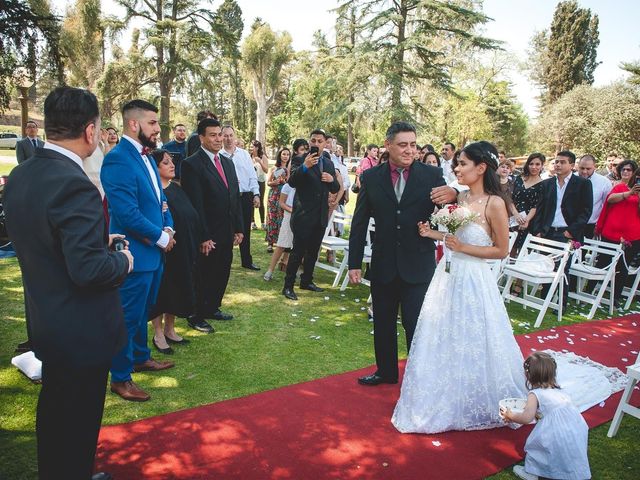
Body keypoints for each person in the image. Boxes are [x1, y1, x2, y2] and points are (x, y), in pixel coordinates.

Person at [4, 86, 133, 480]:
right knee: (77, 423)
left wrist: (97, 241)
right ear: (91, 132)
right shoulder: (74, 182)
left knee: (56, 414)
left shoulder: (23, 173)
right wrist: (123, 260)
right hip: (81, 330)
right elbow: (89, 271)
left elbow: (45, 240)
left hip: (48, 319)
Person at [390, 140, 527, 433]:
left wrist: (462, 246)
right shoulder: (461, 199)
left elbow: (501, 250)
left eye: (463, 163)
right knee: (444, 333)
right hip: (448, 276)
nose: (457, 167)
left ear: (481, 168)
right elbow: (453, 236)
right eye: (458, 163)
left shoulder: (495, 203)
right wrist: (432, 233)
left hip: (475, 280)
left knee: (475, 335)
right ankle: (446, 390)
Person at [348, 121, 457, 386]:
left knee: (415, 323)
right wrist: (354, 263)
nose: (409, 150)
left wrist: (453, 195)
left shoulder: (431, 175)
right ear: (388, 145)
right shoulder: (371, 178)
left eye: (413, 145)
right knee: (383, 322)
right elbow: (359, 222)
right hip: (384, 262)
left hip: (418, 263)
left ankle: (419, 376)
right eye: (403, 145)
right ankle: (385, 372)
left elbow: (450, 209)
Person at [101, 99, 176, 403]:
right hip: (134, 254)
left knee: (143, 311)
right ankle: (120, 378)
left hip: (153, 253)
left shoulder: (147, 157)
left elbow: (159, 201)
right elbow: (127, 213)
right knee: (127, 317)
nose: (159, 129)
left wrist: (168, 227)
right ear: (134, 124)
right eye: (153, 123)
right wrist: (160, 237)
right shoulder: (118, 159)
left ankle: (141, 357)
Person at [181, 117, 244, 330]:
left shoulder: (227, 162)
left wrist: (238, 228)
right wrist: (203, 236)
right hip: (207, 233)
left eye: (220, 134)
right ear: (201, 138)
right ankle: (196, 314)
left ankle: (212, 307)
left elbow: (233, 196)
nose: (219, 139)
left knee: (222, 270)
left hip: (227, 230)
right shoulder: (191, 164)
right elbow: (196, 205)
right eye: (213, 135)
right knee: (203, 274)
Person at [501, 352, 591, 480]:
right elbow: (552, 410)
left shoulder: (534, 394)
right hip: (576, 427)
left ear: (529, 375)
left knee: (537, 446)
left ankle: (532, 472)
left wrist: (511, 415)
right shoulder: (559, 391)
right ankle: (570, 472)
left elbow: (527, 418)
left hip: (556, 431)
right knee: (565, 448)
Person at [148, 149, 199, 353]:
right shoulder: (154, 192)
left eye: (171, 161)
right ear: (155, 167)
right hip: (164, 250)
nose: (171, 165)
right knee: (162, 292)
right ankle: (158, 333)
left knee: (177, 289)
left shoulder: (177, 188)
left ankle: (170, 329)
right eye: (165, 162)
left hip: (183, 250)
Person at [282, 129, 340, 301]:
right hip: (303, 215)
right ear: (310, 142)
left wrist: (332, 180)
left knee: (313, 252)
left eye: (319, 141)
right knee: (297, 251)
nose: (316, 143)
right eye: (313, 140)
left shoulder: (328, 163)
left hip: (321, 215)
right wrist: (305, 167)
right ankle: (288, 286)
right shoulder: (300, 159)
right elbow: (292, 181)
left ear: (325, 143)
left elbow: (335, 189)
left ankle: (306, 280)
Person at [594, 160, 640, 305]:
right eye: (623, 169)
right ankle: (591, 292)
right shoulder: (619, 187)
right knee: (603, 262)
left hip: (632, 235)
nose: (626, 172)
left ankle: (615, 297)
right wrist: (629, 193)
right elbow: (610, 200)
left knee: (623, 266)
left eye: (629, 170)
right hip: (611, 233)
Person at [222, 126, 261, 270]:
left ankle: (247, 260)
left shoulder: (244, 154)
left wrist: (256, 194)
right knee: (228, 229)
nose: (228, 138)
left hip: (245, 197)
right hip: (227, 198)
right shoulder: (219, 155)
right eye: (225, 136)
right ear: (221, 137)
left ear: (235, 136)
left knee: (245, 229)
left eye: (231, 135)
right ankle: (226, 260)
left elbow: (252, 176)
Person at [510, 153, 546, 255]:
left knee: (520, 250)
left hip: (527, 221)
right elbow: (510, 199)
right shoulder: (518, 179)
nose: (534, 167)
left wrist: (526, 220)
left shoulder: (543, 185)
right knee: (507, 246)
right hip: (511, 217)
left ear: (542, 166)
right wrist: (516, 215)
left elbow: (536, 205)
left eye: (537, 164)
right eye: (531, 164)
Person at [264, 182, 296, 281]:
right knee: (281, 244)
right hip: (289, 216)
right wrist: (292, 210)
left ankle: (296, 271)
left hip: (303, 216)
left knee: (300, 246)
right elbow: (282, 203)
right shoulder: (288, 186)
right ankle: (270, 271)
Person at [578, 154, 613, 239]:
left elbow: (606, 205)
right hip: (569, 223)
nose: (584, 171)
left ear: (594, 167)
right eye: (582, 168)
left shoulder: (604, 182)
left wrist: (600, 225)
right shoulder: (571, 178)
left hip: (590, 225)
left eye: (588, 169)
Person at [265, 148, 291, 253]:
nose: (285, 156)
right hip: (274, 195)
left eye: (287, 154)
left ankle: (281, 243)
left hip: (284, 195)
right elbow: (268, 182)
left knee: (282, 217)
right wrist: (275, 182)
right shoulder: (274, 168)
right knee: (272, 217)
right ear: (280, 155)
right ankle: (270, 243)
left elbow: (289, 183)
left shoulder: (288, 169)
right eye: (283, 154)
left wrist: (284, 181)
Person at [250, 140, 269, 229]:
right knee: (251, 201)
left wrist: (260, 161)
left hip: (260, 181)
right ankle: (252, 222)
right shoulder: (249, 156)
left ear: (257, 147)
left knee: (260, 201)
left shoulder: (263, 156)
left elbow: (266, 170)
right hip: (250, 182)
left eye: (252, 146)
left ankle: (262, 222)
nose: (250, 148)